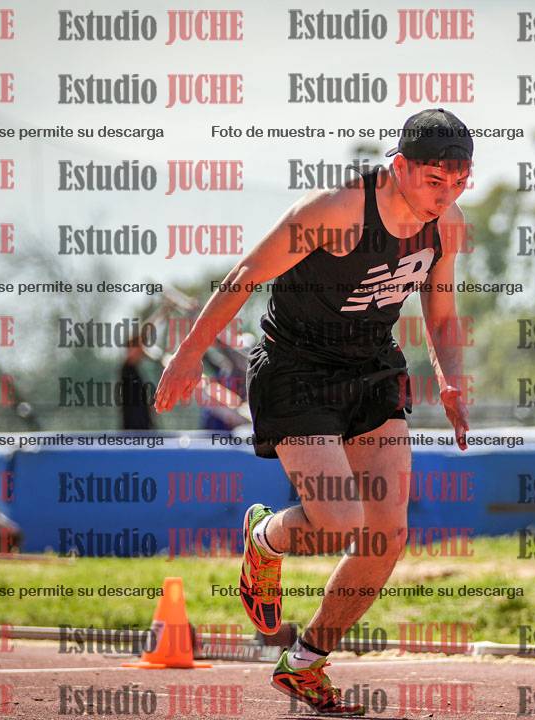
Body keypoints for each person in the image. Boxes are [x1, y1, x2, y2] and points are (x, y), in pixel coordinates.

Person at [154, 108, 472, 715]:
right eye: (436, 180)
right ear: (399, 166)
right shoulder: (337, 210)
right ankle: (264, 539)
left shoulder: (447, 224)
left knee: (387, 533)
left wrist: (451, 379)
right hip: (296, 369)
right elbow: (245, 275)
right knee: (337, 517)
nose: (447, 194)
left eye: (460, 182)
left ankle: (305, 664)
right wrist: (190, 354)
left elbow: (441, 308)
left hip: (371, 369)